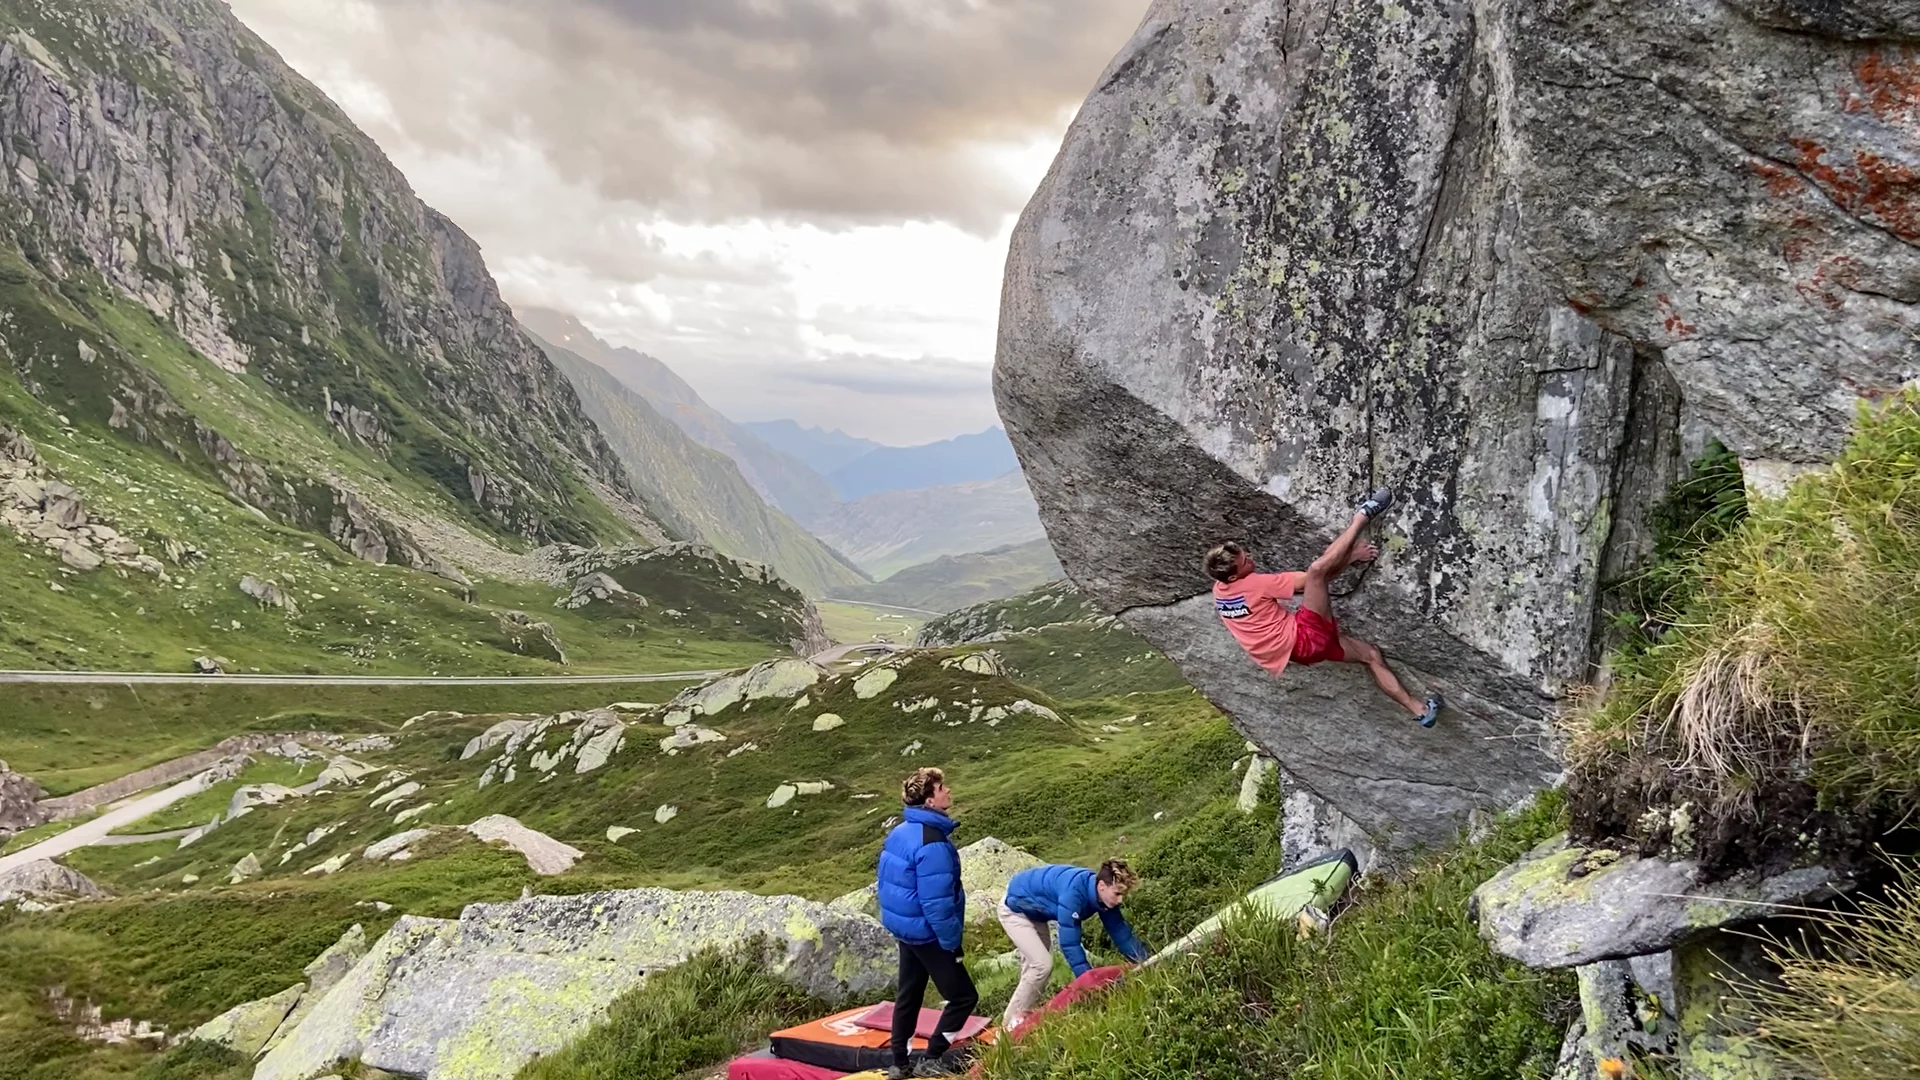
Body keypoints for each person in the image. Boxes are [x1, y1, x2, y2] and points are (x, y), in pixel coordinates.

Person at [1207, 488, 1443, 727]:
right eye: (1245, 561)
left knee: (1371, 655)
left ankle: (1421, 710)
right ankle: (1362, 516)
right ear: (1234, 577)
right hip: (1304, 637)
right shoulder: (1255, 584)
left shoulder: (1220, 591)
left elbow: (1316, 585)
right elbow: (1315, 576)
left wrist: (1349, 559)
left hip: (1299, 652)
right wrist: (1350, 556)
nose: (1250, 557)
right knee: (1317, 570)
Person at [875, 767, 978, 1078]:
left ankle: (899, 1063)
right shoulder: (933, 843)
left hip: (906, 929)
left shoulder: (900, 832)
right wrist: (952, 944)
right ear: (930, 801)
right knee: (963, 997)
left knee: (909, 994)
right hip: (928, 933)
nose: (948, 791)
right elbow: (937, 903)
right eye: (942, 787)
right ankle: (931, 1058)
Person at [997, 859, 1151, 1030]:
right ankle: (1007, 1030)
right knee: (1041, 966)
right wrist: (1090, 985)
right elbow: (1070, 945)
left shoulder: (1104, 899)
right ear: (1101, 886)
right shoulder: (1073, 894)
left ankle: (1021, 1024)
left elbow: (1120, 932)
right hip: (1014, 910)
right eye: (1117, 894)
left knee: (1036, 970)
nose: (1120, 900)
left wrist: (1145, 962)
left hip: (1035, 912)